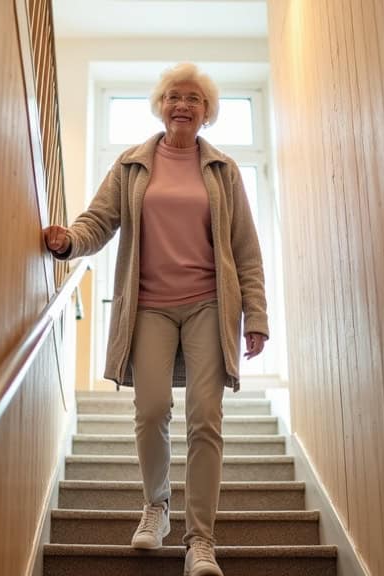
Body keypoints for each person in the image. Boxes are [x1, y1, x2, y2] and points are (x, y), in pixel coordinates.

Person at [43, 62, 268, 576]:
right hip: (148, 306)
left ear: (206, 111)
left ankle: (201, 539)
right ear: (160, 105)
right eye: (172, 96)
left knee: (205, 418)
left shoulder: (223, 170)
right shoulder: (132, 165)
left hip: (209, 304)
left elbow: (246, 251)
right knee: (150, 411)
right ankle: (156, 507)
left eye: (192, 97)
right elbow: (98, 221)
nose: (181, 104)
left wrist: (255, 314)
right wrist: (68, 243)